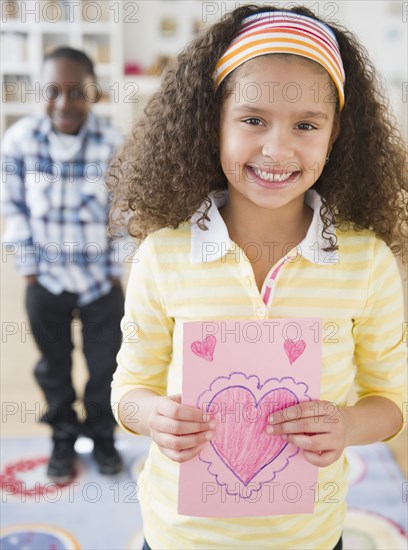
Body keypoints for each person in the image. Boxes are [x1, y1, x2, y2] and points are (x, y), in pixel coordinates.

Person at [108, 5, 407, 550]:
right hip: (179, 535)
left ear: (335, 133)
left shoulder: (367, 263)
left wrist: (348, 426)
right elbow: (128, 390)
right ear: (212, 123)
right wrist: (155, 417)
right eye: (252, 120)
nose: (277, 148)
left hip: (309, 537)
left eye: (306, 125)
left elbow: (392, 400)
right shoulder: (162, 255)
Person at [2, 47, 125, 480]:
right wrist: (28, 264)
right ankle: (63, 436)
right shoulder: (19, 141)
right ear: (41, 92)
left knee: (105, 367)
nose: (63, 102)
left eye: (76, 92)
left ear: (94, 93)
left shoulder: (113, 144)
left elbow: (123, 214)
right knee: (52, 367)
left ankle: (103, 435)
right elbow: (12, 207)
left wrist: (115, 270)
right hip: (46, 282)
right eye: (53, 91)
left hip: (99, 284)